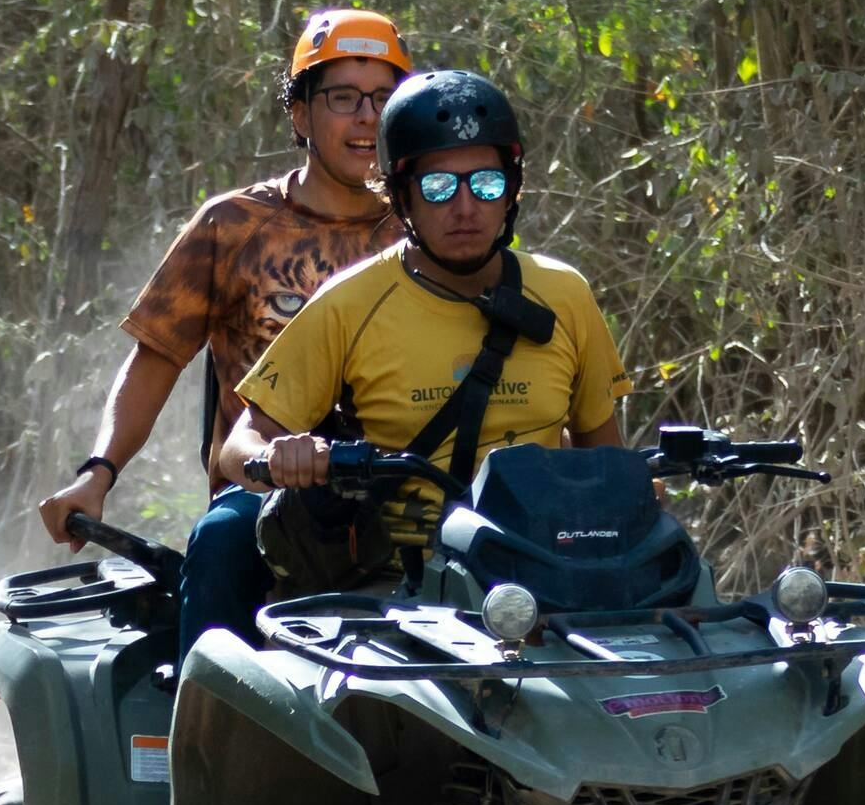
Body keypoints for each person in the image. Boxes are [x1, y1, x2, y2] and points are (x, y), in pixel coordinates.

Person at [192, 70, 629, 637]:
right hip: (401, 591)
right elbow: (235, 450)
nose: (467, 207)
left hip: (545, 576)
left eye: (488, 185)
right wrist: (285, 455)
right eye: (440, 188)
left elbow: (606, 461)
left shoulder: (565, 294)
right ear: (401, 196)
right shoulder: (350, 304)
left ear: (513, 190)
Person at [34, 7, 412, 597]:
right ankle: (199, 689)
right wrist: (98, 473)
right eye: (343, 97)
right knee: (218, 545)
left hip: (404, 489)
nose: (367, 118)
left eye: (383, 99)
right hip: (260, 494)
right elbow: (155, 361)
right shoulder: (233, 225)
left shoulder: (426, 229)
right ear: (300, 112)